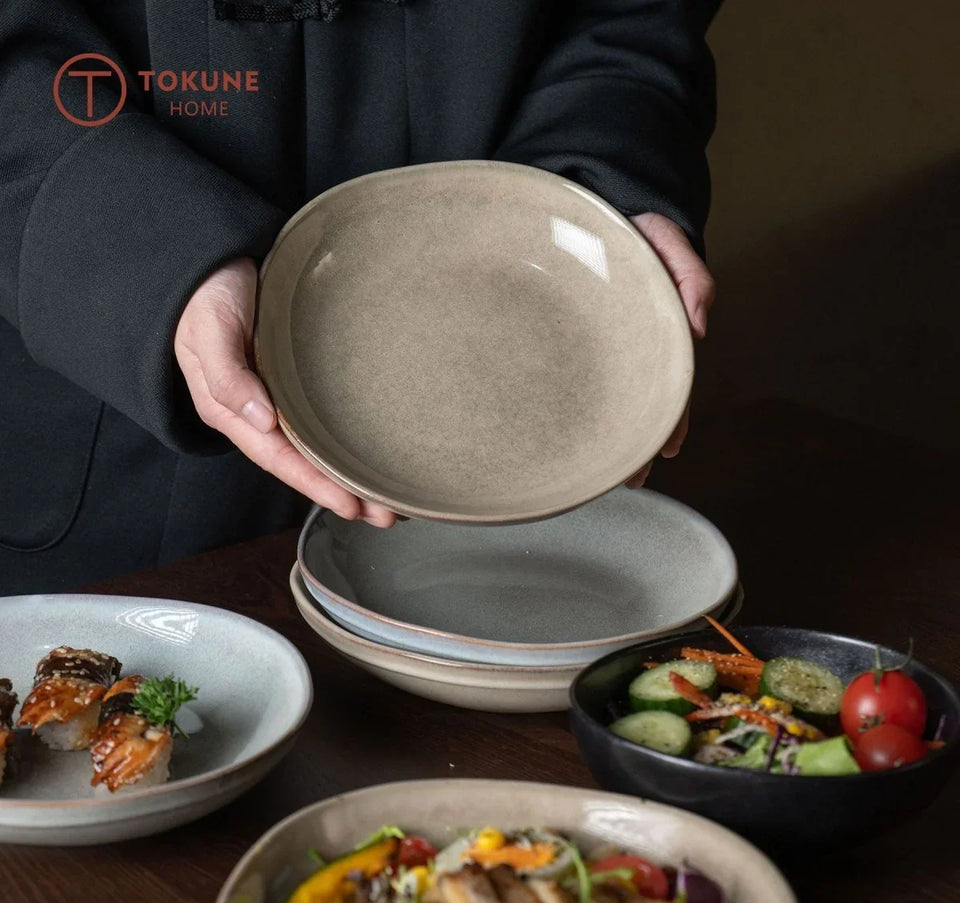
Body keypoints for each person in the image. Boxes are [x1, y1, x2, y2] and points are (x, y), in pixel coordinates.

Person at [0, 0, 720, 595]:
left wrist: (603, 192)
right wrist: (156, 261)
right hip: (110, 440)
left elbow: (631, 19)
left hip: (526, 459)